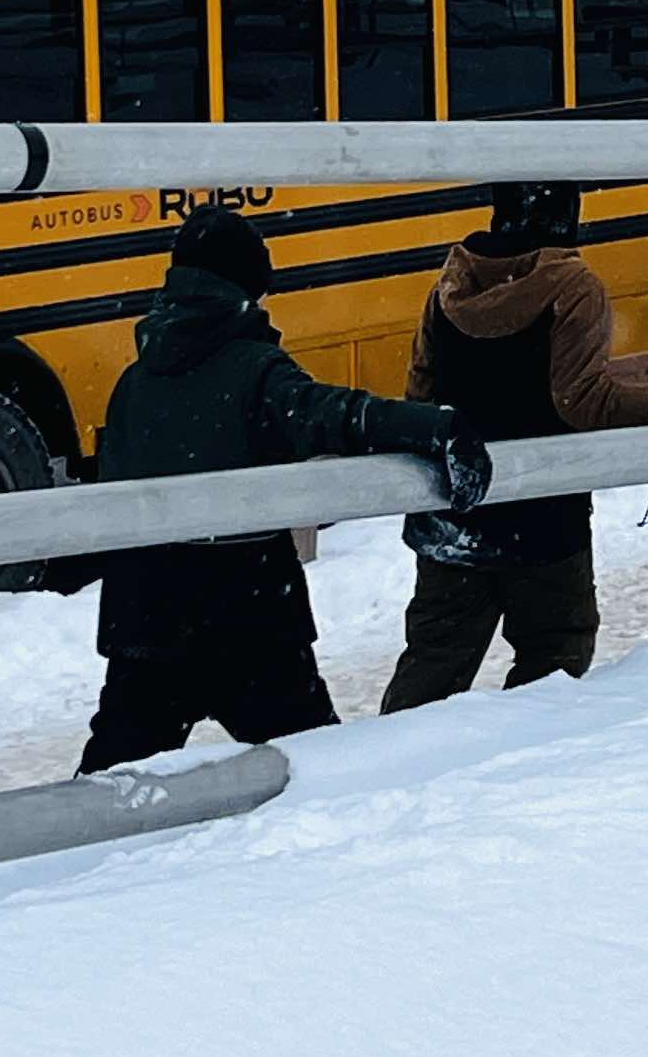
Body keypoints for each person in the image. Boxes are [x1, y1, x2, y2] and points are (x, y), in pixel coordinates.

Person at [75, 207, 483, 773]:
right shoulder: (254, 368)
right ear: (246, 286)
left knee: (110, 788)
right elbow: (336, 415)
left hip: (146, 614)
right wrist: (434, 426)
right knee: (320, 773)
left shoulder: (134, 380)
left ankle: (61, 835)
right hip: (246, 616)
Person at [379, 183, 648, 712]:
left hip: (456, 511)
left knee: (432, 665)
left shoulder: (450, 284)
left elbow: (420, 394)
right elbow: (582, 401)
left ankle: (394, 758)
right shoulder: (571, 284)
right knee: (554, 655)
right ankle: (523, 758)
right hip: (543, 509)